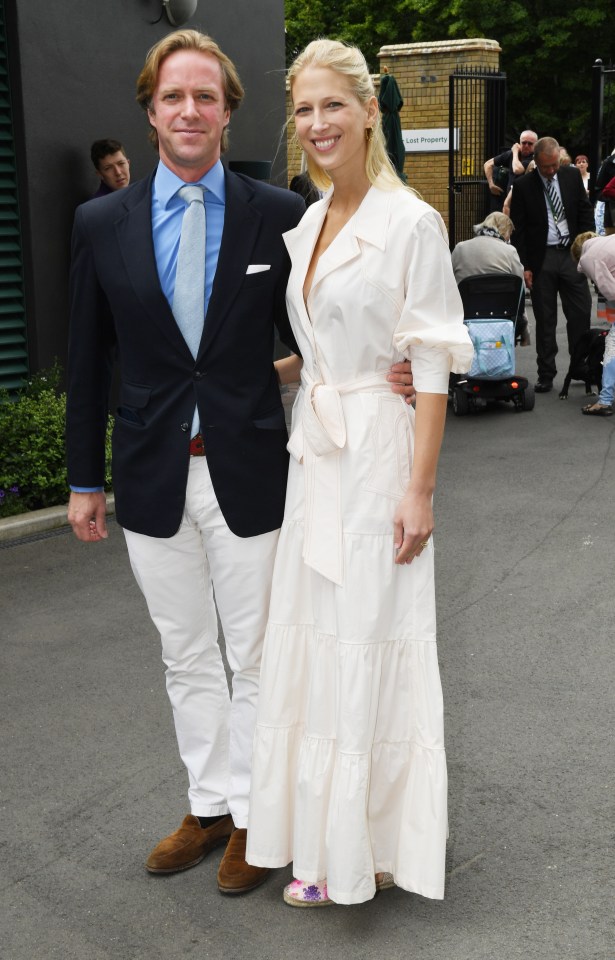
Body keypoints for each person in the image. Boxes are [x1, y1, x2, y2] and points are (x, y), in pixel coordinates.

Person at [66, 30, 415, 897]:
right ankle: (208, 802)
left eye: (206, 98)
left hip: (252, 467)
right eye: (173, 97)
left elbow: (320, 324)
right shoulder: (100, 222)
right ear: (150, 113)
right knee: (185, 654)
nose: (190, 111)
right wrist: (82, 478)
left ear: (227, 113)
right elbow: (84, 359)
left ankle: (259, 817)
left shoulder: (278, 211)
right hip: (150, 469)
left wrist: (383, 367)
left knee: (257, 656)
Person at [246, 38, 473, 907]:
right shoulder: (304, 224)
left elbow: (430, 364)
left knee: (371, 639)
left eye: (332, 105)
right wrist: (243, 384)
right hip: (318, 454)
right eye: (303, 110)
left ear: (369, 110)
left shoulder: (407, 220)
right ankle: (331, 842)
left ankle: (371, 847)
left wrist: (418, 491)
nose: (316, 124)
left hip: (378, 458)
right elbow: (322, 351)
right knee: (316, 646)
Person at [510, 136, 595, 393]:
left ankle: (580, 365)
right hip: (542, 259)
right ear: (535, 162)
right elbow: (519, 230)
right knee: (545, 319)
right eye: (546, 166)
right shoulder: (524, 186)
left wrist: (586, 247)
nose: (551, 171)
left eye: (554, 165)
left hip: (571, 255)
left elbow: (584, 211)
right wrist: (525, 265)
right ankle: (546, 373)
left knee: (580, 313)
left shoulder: (570, 177)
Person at [451, 212, 530, 344]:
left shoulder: (460, 248)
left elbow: (450, 281)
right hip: (503, 316)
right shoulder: (509, 251)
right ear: (505, 231)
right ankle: (525, 337)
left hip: (466, 315)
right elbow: (519, 286)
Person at [571, 231, 615, 416]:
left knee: (613, 345)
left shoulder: (588, 258)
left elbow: (610, 290)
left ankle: (605, 400)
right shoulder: (608, 241)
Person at [484, 130, 537, 211]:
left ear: (535, 145)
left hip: (524, 201)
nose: (526, 146)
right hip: (509, 199)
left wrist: (515, 152)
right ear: (519, 143)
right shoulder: (510, 154)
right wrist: (491, 184)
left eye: (530, 144)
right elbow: (487, 164)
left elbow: (517, 169)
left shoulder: (534, 158)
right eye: (523, 143)